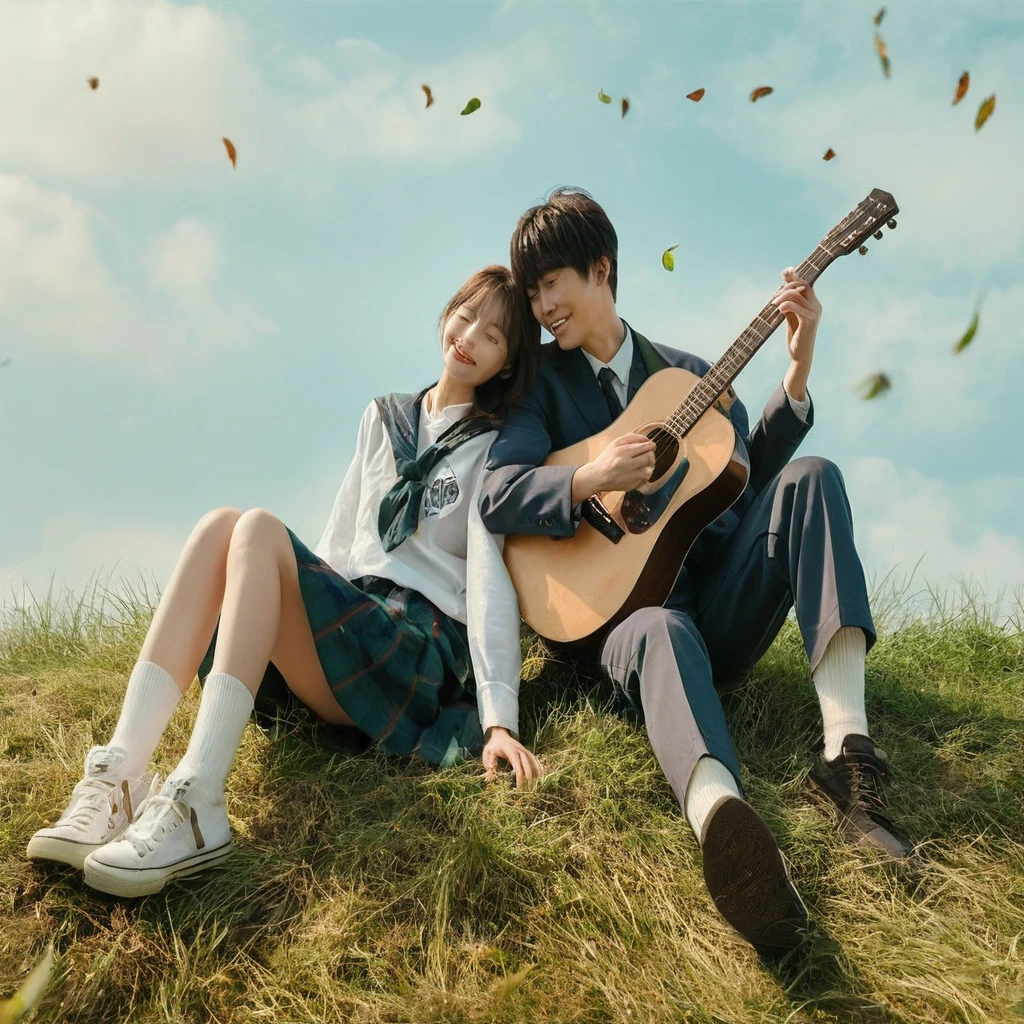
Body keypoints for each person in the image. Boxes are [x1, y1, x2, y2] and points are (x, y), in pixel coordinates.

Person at [479, 188, 910, 956]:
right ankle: (725, 826)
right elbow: (498, 493)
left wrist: (799, 372)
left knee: (811, 475)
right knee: (658, 626)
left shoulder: (687, 374)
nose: (542, 305)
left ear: (602, 269)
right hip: (615, 623)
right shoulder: (538, 386)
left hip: (718, 605)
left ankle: (847, 757)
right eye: (534, 289)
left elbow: (752, 481)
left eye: (554, 283)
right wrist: (591, 476)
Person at [27, 265, 543, 898]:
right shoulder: (383, 418)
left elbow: (490, 582)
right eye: (466, 314)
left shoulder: (493, 449)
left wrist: (499, 721)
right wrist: (300, 592)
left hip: (412, 648)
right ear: (446, 313)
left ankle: (199, 801)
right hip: (353, 627)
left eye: (493, 336)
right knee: (225, 525)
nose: (469, 336)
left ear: (507, 364)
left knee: (261, 528)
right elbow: (340, 542)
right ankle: (120, 777)